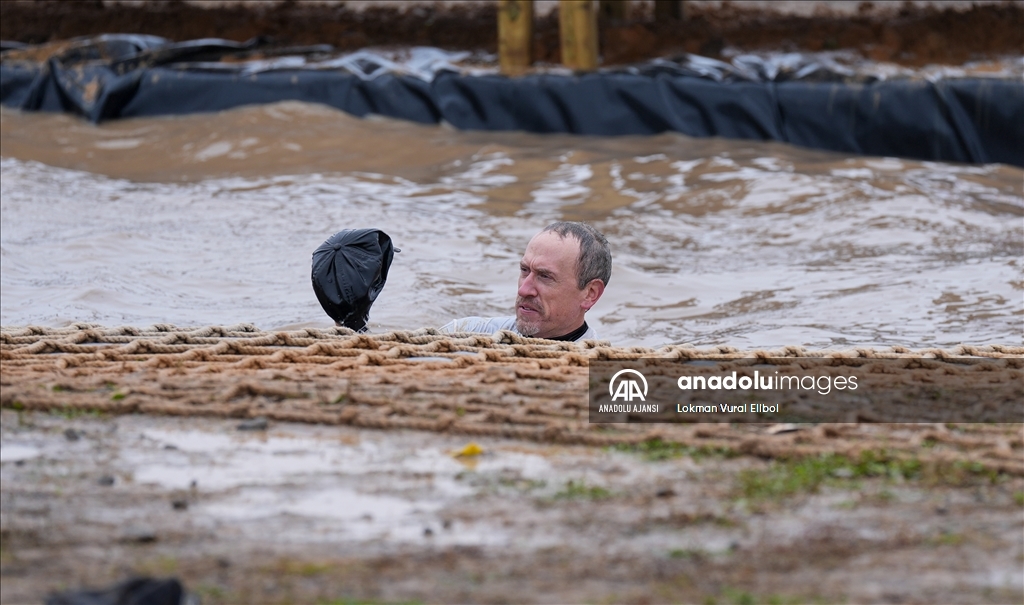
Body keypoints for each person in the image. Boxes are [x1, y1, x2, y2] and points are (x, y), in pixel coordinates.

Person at [441, 221, 611, 341]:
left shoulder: (605, 377)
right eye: (524, 270)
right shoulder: (464, 334)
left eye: (545, 276)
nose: (523, 290)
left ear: (590, 294)